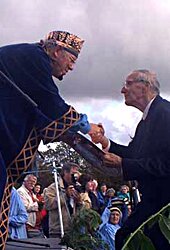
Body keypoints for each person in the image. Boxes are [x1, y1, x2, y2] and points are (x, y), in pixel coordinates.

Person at [0, 30, 100, 248]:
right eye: (72, 60)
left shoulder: (27, 57)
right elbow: (53, 105)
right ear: (56, 51)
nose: (72, 67)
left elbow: (36, 111)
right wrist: (87, 126)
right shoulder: (35, 59)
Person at [90, 69, 170, 249]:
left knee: (127, 238)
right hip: (154, 201)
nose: (122, 90)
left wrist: (123, 163)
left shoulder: (165, 114)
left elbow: (167, 163)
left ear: (144, 87)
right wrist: (104, 142)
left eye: (128, 83)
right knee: (125, 237)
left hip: (163, 205)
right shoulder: (146, 121)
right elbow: (134, 154)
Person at [44, 162, 82, 238]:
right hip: (58, 230)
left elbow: (81, 208)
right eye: (73, 173)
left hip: (73, 230)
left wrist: (79, 201)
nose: (75, 176)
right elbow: (48, 205)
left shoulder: (77, 187)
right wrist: (65, 195)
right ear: (65, 172)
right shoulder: (53, 187)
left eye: (77, 174)